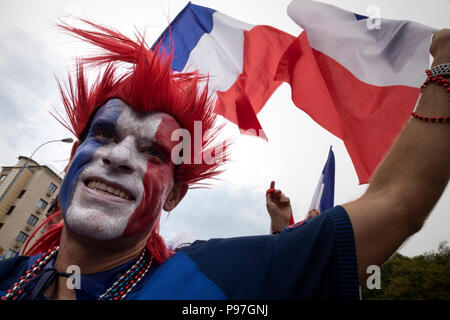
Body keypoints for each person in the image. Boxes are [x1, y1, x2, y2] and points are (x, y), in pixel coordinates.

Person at [0, 20, 449, 300]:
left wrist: (445, 67)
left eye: (154, 151)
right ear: (73, 158)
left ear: (174, 194)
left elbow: (397, 203)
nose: (118, 157)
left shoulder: (221, 279)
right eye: (103, 135)